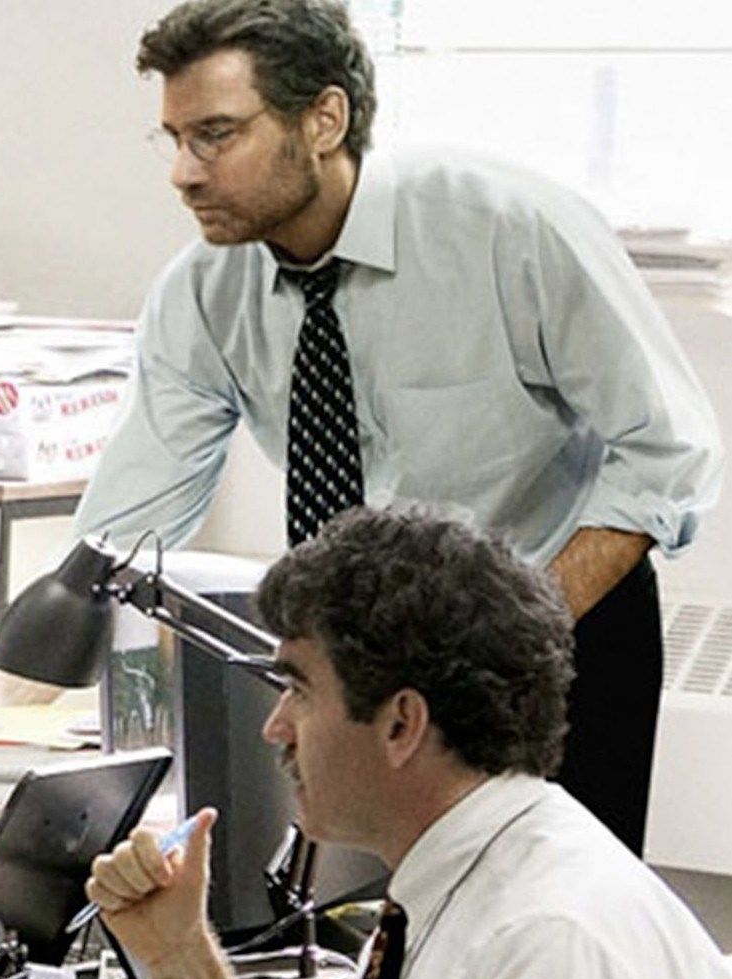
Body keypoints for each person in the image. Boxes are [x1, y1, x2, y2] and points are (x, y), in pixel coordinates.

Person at [63, 0, 720, 853]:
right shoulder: (203, 292)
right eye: (175, 139)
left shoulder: (506, 227)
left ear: (323, 119)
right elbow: (128, 517)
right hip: (363, 658)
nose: (183, 173)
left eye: (216, 135)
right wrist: (16, 690)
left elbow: (665, 453)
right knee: (386, 911)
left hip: (556, 617)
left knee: (549, 902)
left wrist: (517, 628)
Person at [86, 507, 732, 979]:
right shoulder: (456, 886)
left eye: (298, 690)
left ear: (401, 723)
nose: (275, 726)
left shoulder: (543, 942)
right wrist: (180, 958)